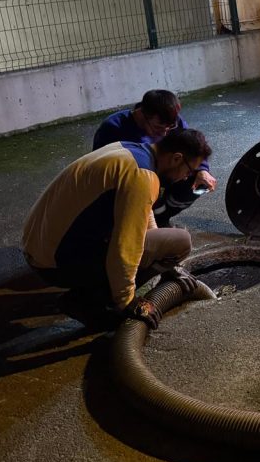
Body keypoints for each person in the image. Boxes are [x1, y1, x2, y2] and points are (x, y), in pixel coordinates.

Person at [22, 128, 212, 329]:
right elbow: (126, 247)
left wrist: (166, 262)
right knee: (181, 242)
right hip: (56, 265)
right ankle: (88, 300)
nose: (186, 178)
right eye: (189, 171)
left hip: (40, 247)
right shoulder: (142, 176)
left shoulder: (132, 152)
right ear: (176, 158)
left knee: (163, 241)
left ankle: (91, 291)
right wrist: (128, 301)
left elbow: (143, 211)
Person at [93, 89, 217, 227]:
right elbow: (102, 169)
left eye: (169, 128)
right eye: (158, 127)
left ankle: (161, 216)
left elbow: (193, 145)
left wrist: (202, 169)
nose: (164, 133)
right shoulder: (113, 128)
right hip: (131, 180)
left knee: (196, 181)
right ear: (143, 113)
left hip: (159, 170)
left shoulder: (173, 122)